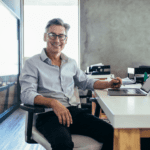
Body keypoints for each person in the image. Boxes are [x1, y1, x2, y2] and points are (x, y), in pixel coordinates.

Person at [19, 18, 122, 150]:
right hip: (49, 115)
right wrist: (53, 103)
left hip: (74, 113)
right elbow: (26, 94)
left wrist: (109, 84)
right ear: (45, 37)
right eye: (52, 35)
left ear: (66, 40)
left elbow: (86, 81)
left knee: (113, 134)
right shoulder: (32, 63)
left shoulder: (71, 62)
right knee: (63, 144)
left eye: (61, 36)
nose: (57, 40)